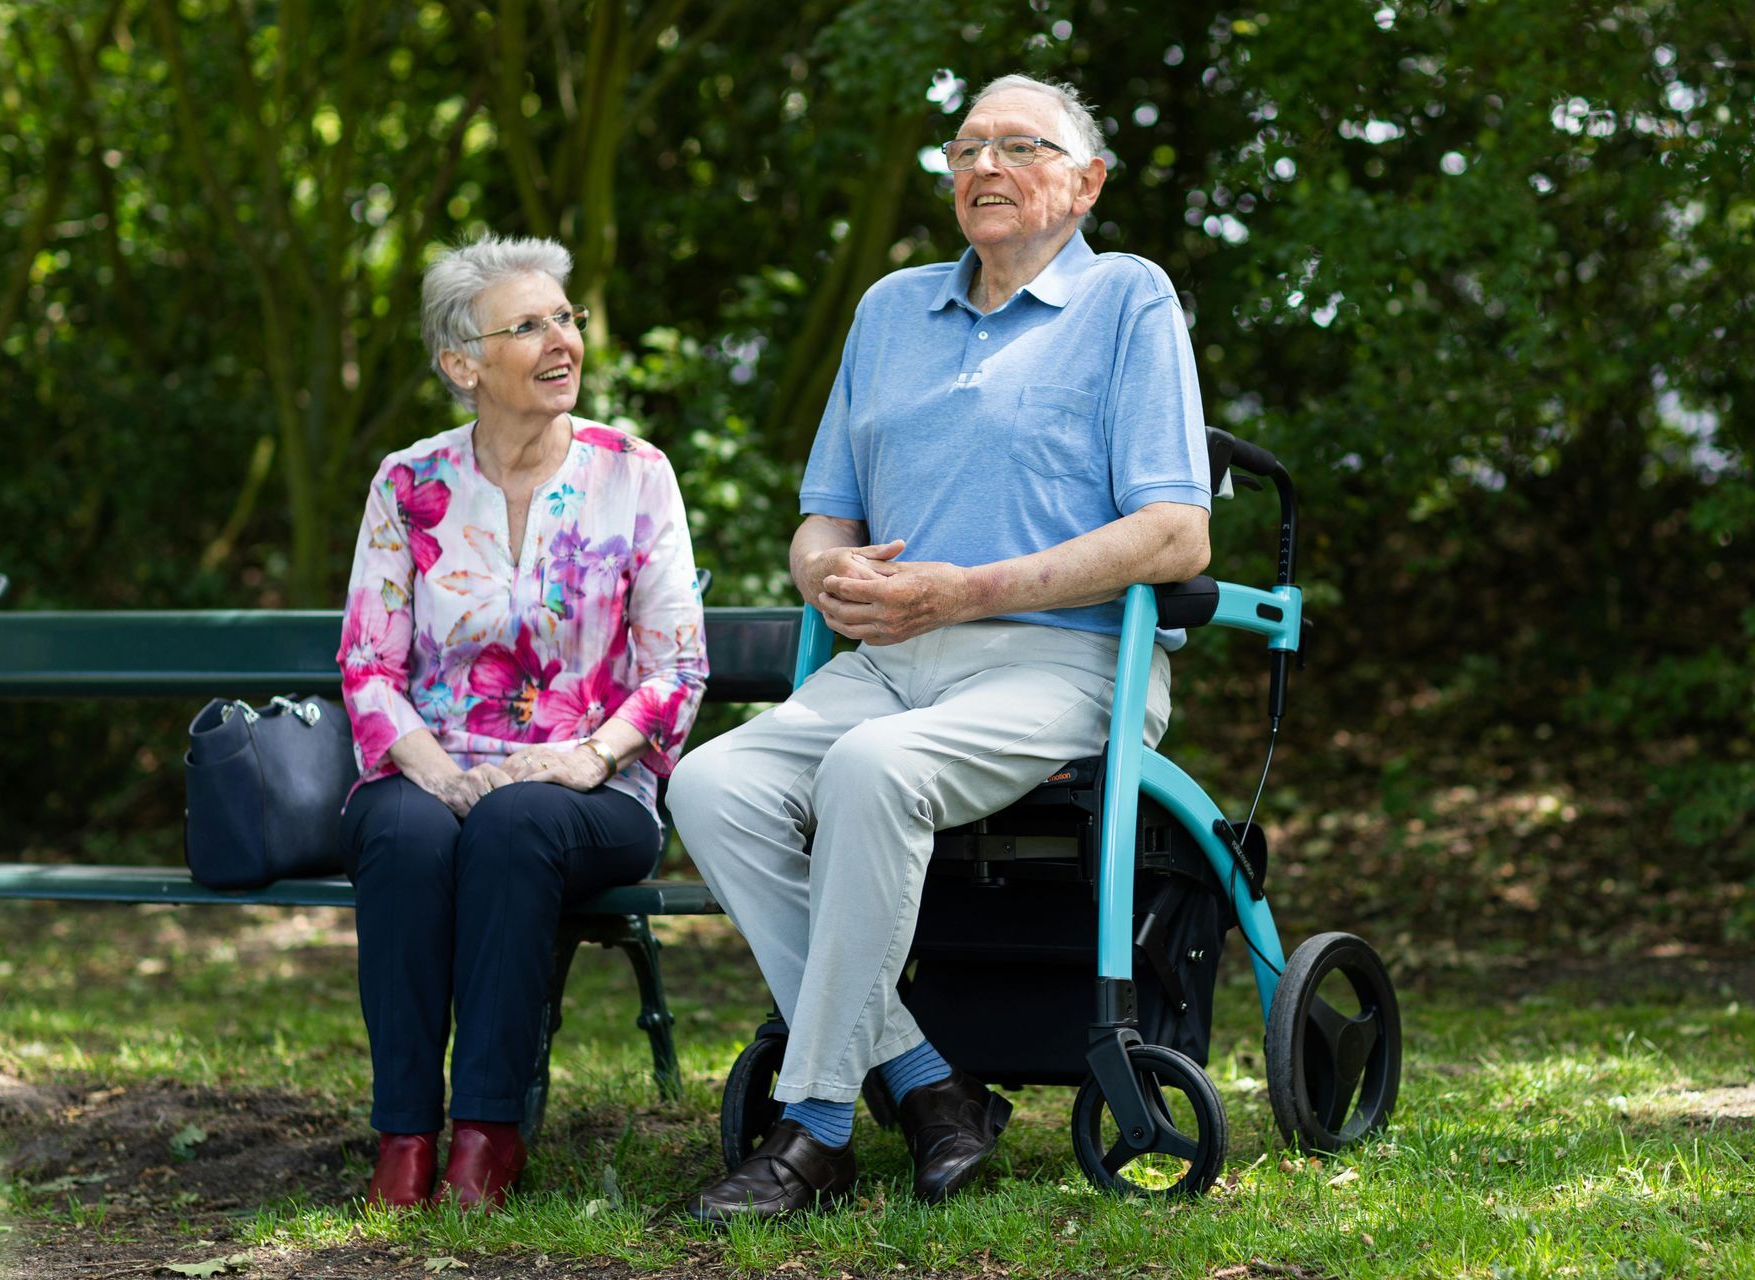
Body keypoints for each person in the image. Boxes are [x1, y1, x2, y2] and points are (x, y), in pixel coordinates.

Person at [669, 73, 1213, 1221]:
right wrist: (829, 572)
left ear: (1087, 179)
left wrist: (967, 590)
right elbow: (822, 521)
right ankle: (928, 1081)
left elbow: (1176, 531)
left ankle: (813, 1126)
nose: (984, 167)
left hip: (1061, 660)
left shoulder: (1129, 299)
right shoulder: (890, 309)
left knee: (874, 770)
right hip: (887, 660)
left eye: (1020, 145)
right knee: (711, 781)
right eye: (966, 147)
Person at [335, 235, 707, 1210]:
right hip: (434, 768)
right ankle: (405, 1133)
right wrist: (434, 771)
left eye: (567, 317)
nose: (563, 339)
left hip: (593, 785)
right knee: (405, 833)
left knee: (514, 822)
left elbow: (678, 669)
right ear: (463, 364)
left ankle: (489, 1132)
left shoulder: (635, 472)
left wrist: (586, 756)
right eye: (529, 324)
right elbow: (368, 666)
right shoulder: (408, 483)